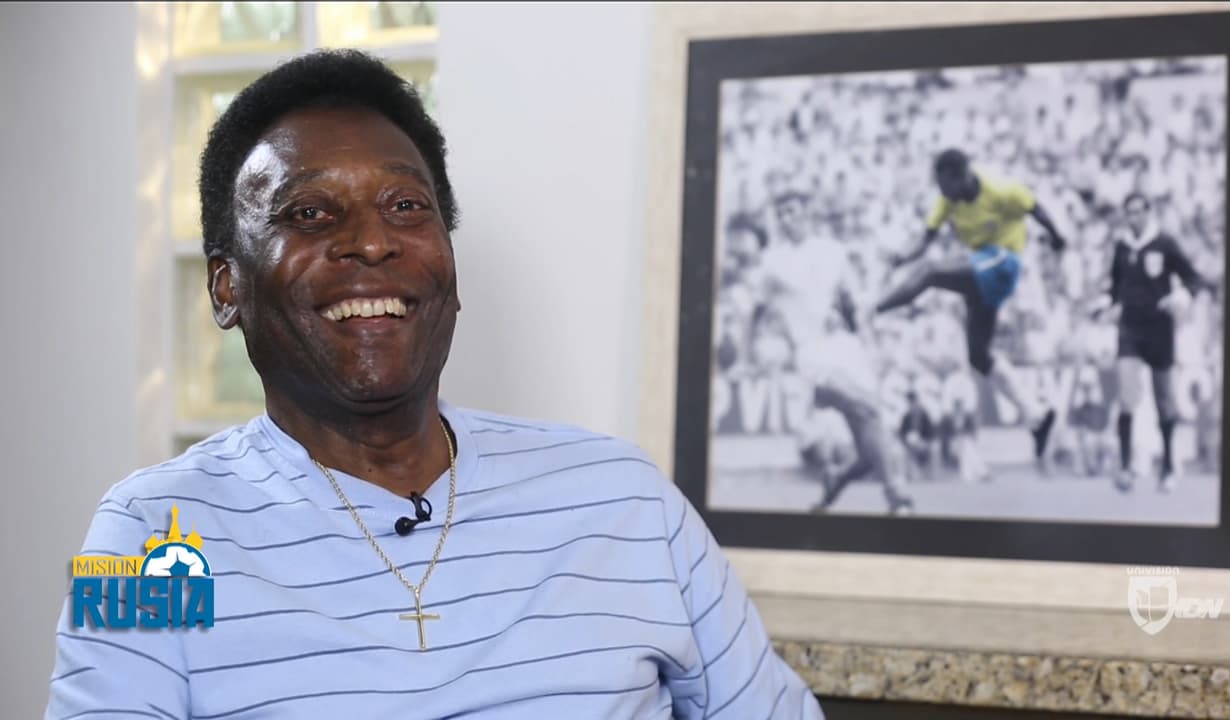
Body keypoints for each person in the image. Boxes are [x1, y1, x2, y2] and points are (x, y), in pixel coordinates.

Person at [46, 51, 822, 719]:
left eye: (406, 206)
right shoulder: (143, 538)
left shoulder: (627, 498)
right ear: (227, 288)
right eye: (309, 212)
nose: (372, 242)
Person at [871, 148, 1067, 470]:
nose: (941, 192)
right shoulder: (947, 200)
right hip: (981, 270)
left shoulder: (1000, 190)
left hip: (1003, 262)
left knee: (931, 272)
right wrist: (900, 258)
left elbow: (1035, 207)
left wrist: (1057, 238)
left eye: (944, 184)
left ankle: (873, 308)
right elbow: (925, 239)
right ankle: (1036, 416)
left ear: (960, 176)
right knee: (978, 355)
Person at [747, 189, 912, 515]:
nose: (786, 219)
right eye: (781, 214)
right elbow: (755, 313)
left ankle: (838, 479)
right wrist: (747, 354)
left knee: (872, 437)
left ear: (807, 212)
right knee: (869, 411)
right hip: (810, 354)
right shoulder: (772, 262)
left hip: (846, 349)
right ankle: (898, 498)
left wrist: (868, 344)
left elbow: (854, 305)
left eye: (792, 211)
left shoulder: (833, 251)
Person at [1095, 191, 1209, 493]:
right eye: (1128, 212)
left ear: (1148, 212)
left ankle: (1168, 466)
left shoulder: (1164, 243)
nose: (1133, 217)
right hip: (1130, 329)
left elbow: (1194, 279)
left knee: (1164, 402)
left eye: (1138, 211)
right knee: (1127, 396)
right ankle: (1125, 467)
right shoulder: (1122, 246)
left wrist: (1181, 296)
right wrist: (1104, 303)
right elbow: (1114, 286)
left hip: (1160, 330)